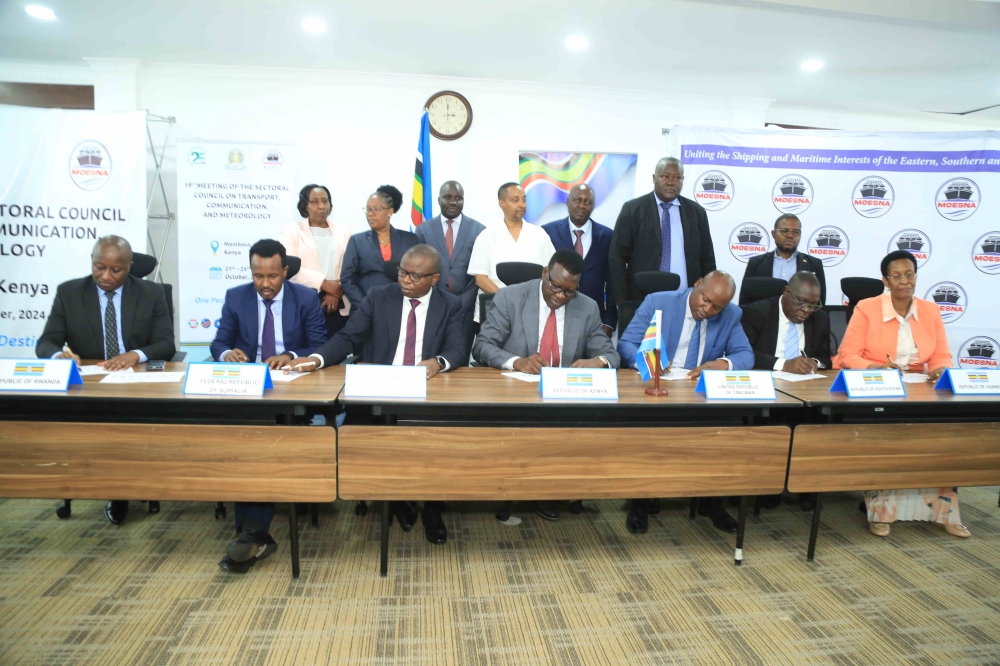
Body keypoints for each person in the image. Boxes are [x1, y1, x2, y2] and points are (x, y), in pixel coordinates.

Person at [288, 244, 466, 545]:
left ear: (434, 279)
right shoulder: (379, 296)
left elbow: (458, 350)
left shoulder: (451, 304)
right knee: (362, 435)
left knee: (440, 442)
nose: (405, 280)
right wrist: (316, 359)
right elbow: (348, 337)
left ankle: (432, 510)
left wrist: (438, 362)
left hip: (426, 390)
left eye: (414, 276)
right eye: (402, 272)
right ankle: (394, 498)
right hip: (380, 388)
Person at [36, 235, 175, 526]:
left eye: (116, 270)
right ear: (92, 262)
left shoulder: (151, 293)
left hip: (134, 385)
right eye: (99, 267)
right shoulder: (70, 292)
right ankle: (86, 480)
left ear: (130, 267)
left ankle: (118, 491)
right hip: (88, 384)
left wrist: (134, 356)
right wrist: (58, 355)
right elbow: (46, 342)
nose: (106, 276)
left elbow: (166, 344)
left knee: (124, 426)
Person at [472, 249, 620, 521]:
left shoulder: (586, 306)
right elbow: (482, 346)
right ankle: (523, 488)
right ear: (544, 272)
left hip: (563, 397)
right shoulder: (510, 298)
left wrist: (595, 362)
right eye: (555, 287)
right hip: (517, 395)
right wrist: (517, 362)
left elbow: (610, 355)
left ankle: (552, 488)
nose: (560, 296)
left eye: (569, 291)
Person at [211, 239, 328, 575]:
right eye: (258, 276)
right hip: (248, 389)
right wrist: (226, 354)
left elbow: (320, 344)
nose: (264, 284)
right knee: (246, 443)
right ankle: (252, 530)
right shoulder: (237, 297)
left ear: (285, 272)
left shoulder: (304, 298)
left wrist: (292, 355)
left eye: (272, 276)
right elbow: (219, 341)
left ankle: (250, 531)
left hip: (292, 389)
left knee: (261, 443)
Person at [834, 250, 968, 539]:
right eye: (897, 276)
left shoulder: (930, 310)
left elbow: (942, 355)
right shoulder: (867, 308)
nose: (904, 281)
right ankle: (882, 512)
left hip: (919, 386)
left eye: (909, 274)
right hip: (878, 387)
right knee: (892, 437)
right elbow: (847, 355)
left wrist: (941, 370)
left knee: (942, 436)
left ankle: (945, 511)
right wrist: (879, 368)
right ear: (886, 280)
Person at [617, 270, 753, 535]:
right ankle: (640, 502)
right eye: (705, 300)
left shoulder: (731, 314)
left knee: (724, 431)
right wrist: (649, 363)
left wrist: (723, 364)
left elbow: (745, 354)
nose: (708, 309)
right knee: (651, 434)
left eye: (717, 307)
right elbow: (627, 344)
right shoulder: (658, 301)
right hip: (656, 387)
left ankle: (710, 501)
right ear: (698, 284)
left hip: (696, 391)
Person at [740, 270, 831, 511]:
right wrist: (784, 363)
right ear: (786, 292)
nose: (806, 311)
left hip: (805, 390)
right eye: (801, 303)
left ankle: (805, 486)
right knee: (775, 423)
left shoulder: (819, 319)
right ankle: (770, 486)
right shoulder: (756, 313)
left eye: (813, 306)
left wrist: (814, 362)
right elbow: (744, 354)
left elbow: (826, 356)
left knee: (817, 421)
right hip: (764, 388)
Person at [608, 157, 715, 304]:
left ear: (682, 180)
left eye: (677, 177)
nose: (671, 182)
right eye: (665, 176)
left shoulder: (696, 213)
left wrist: (707, 296)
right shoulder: (633, 210)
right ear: (654, 178)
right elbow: (617, 258)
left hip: (687, 299)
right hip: (643, 299)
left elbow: (707, 259)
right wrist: (622, 300)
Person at [414, 181, 485, 360]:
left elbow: (480, 271)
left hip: (466, 308)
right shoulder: (423, 230)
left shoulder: (479, 230)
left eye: (458, 198)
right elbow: (420, 269)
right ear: (439, 200)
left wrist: (462, 302)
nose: (453, 202)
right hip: (433, 304)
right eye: (447, 197)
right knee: (431, 356)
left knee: (459, 358)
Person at [467, 182, 556, 323]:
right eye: (515, 200)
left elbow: (551, 272)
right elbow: (481, 279)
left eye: (524, 200)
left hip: (532, 310)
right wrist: (508, 301)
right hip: (495, 310)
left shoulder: (540, 235)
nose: (521, 204)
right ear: (501, 203)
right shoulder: (486, 236)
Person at [542, 183, 616, 336]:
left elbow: (613, 283)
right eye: (577, 200)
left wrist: (608, 322)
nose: (582, 205)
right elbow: (542, 277)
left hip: (593, 321)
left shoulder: (608, 237)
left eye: (587, 202)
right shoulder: (547, 232)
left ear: (593, 206)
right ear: (568, 201)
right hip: (554, 315)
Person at [280, 184, 353, 336]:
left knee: (335, 351)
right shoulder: (291, 231)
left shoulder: (344, 231)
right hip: (303, 299)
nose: (321, 206)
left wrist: (334, 292)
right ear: (305, 205)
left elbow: (350, 267)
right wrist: (324, 284)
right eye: (314, 201)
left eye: (325, 201)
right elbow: (288, 266)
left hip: (338, 300)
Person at [340, 185, 418, 313]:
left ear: (390, 211)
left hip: (401, 309)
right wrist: (366, 305)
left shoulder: (410, 240)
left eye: (376, 209)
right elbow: (347, 279)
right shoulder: (357, 241)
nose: (370, 213)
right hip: (365, 309)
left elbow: (417, 275)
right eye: (368, 209)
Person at [739, 213, 827, 306]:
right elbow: (745, 302)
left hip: (800, 319)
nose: (790, 235)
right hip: (763, 318)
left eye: (796, 232)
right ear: (773, 234)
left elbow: (819, 302)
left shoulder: (814, 264)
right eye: (784, 231)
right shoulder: (756, 263)